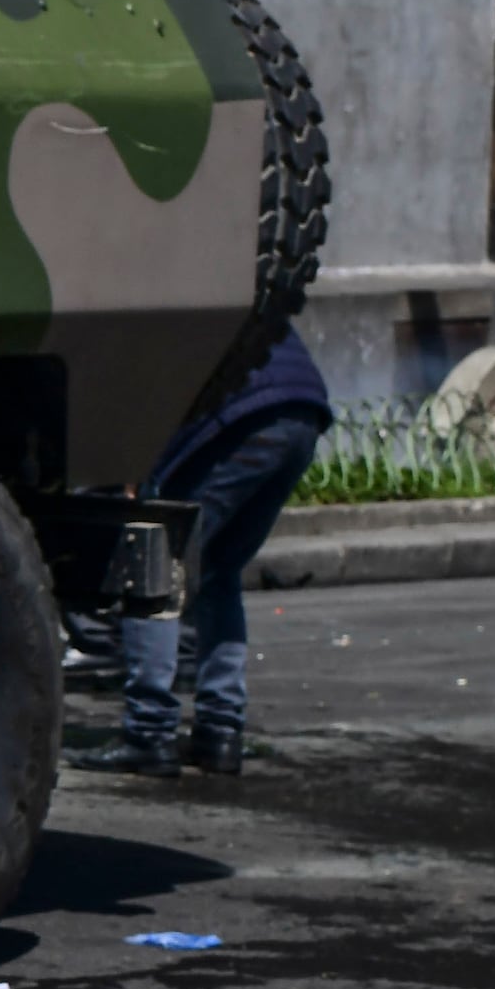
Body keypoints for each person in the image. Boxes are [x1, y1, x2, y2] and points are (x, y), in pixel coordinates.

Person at [82, 331, 332, 781]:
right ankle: (220, 732)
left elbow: (134, 397)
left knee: (153, 563)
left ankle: (149, 732)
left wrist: (130, 470)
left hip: (241, 413)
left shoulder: (128, 305)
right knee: (220, 569)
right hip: (302, 407)